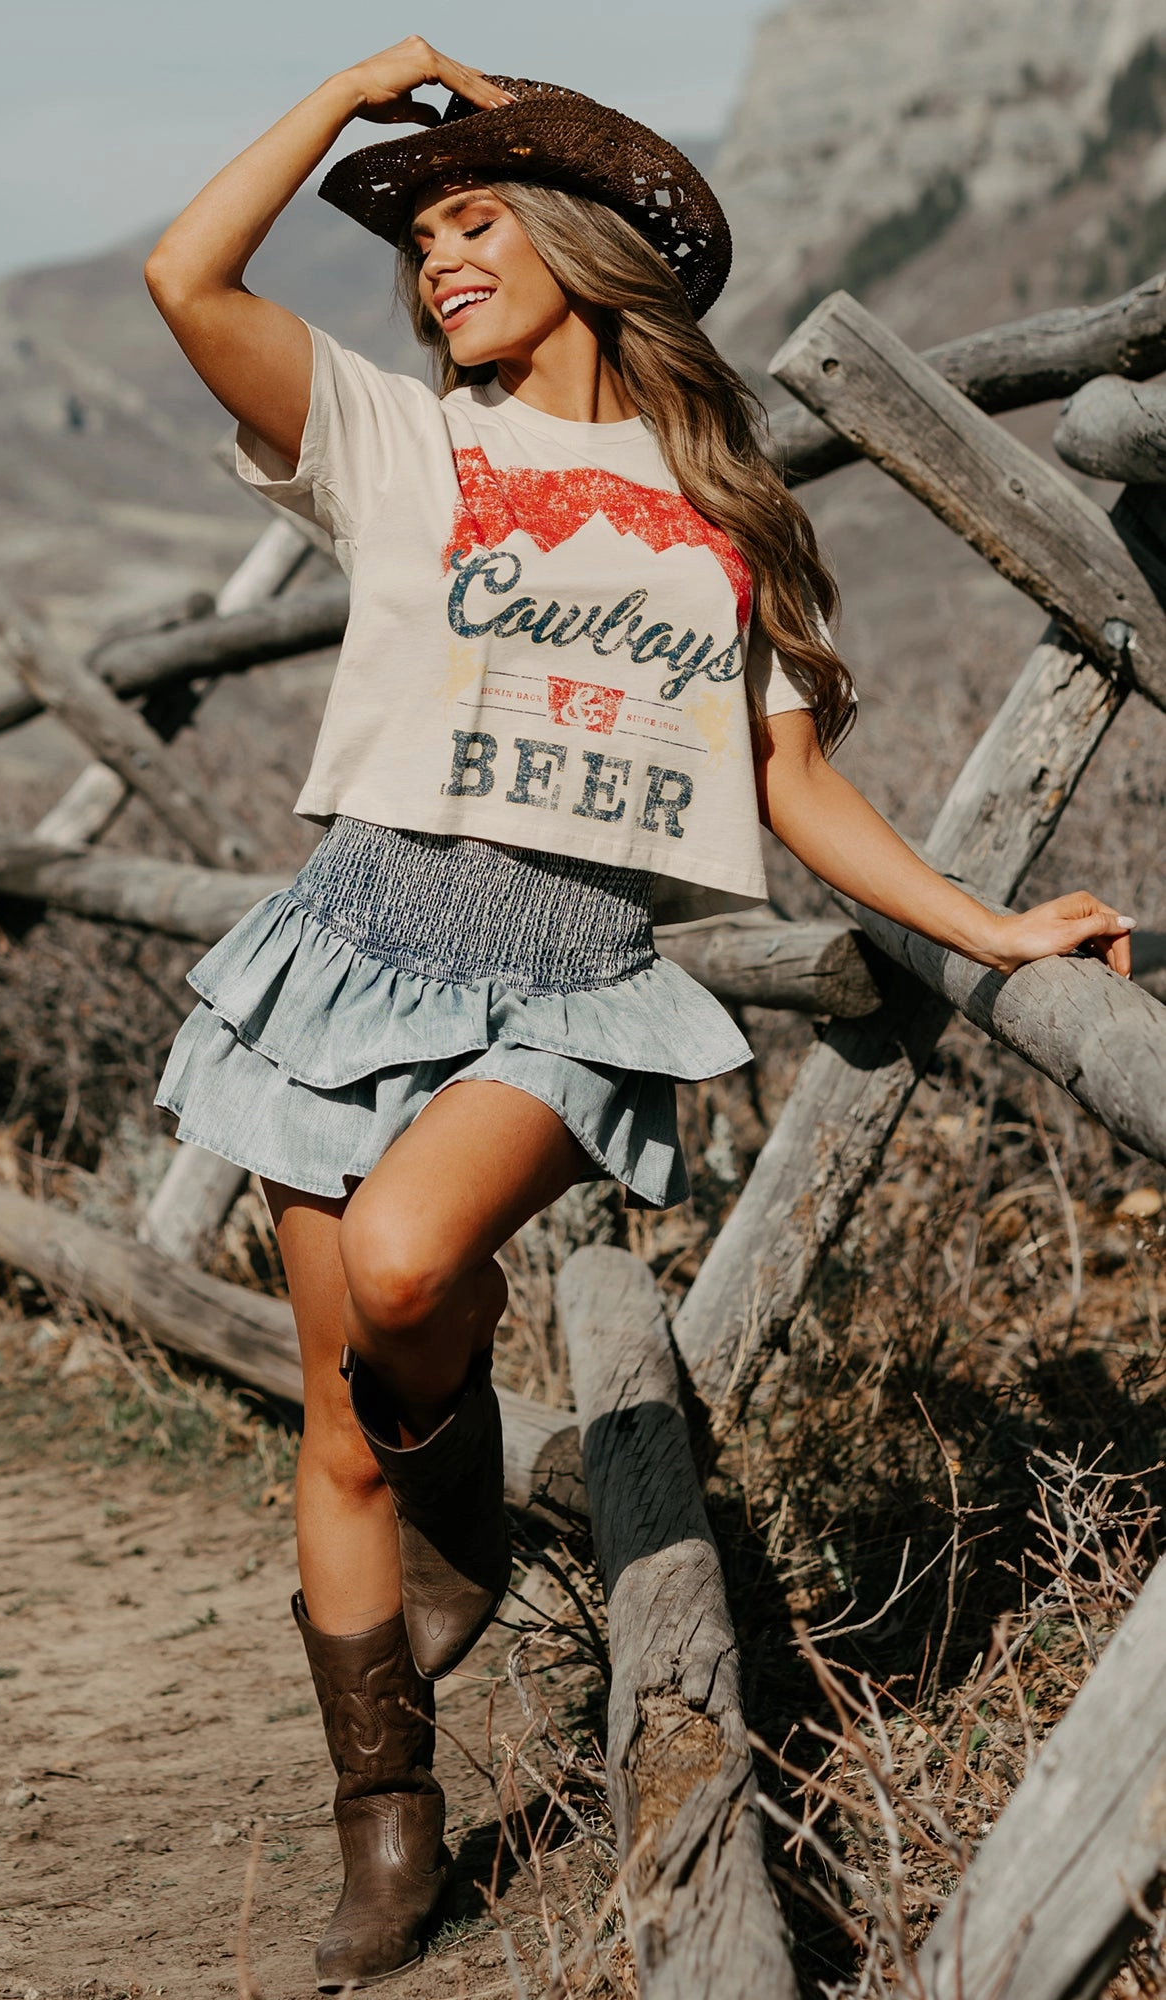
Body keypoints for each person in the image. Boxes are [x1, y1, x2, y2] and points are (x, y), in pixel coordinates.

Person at [144, 40, 1133, 1989]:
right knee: (337, 1427)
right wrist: (356, 94)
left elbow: (794, 787)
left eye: (476, 217)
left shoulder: (715, 510)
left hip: (562, 965)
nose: (438, 260)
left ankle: (458, 1488)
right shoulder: (400, 443)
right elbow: (189, 279)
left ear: (592, 245)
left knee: (418, 1272)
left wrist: (996, 925)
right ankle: (389, 1823)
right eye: (420, 237)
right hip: (346, 939)